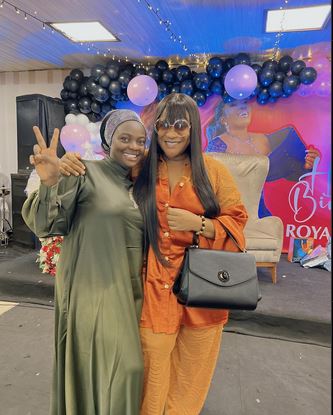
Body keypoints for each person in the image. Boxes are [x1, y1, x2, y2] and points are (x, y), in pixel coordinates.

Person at [22, 110, 148, 414]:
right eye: (125, 138)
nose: (133, 146)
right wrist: (50, 181)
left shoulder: (141, 184)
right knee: (127, 369)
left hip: (133, 291)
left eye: (141, 141)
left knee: (110, 370)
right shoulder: (83, 171)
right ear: (108, 141)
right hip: (93, 288)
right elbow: (46, 225)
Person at [133, 93, 248, 415]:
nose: (171, 133)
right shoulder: (140, 168)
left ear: (193, 128)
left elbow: (237, 222)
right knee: (152, 359)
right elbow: (105, 185)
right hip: (154, 283)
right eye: (163, 125)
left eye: (180, 125)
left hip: (203, 285)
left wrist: (199, 224)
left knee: (192, 367)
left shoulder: (213, 171)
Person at [205, 99, 321, 217]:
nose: (243, 107)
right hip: (229, 211)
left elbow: (291, 172)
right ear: (223, 119)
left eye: (244, 103)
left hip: (259, 211)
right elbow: (209, 182)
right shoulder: (217, 145)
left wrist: (307, 165)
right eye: (233, 105)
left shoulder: (267, 139)